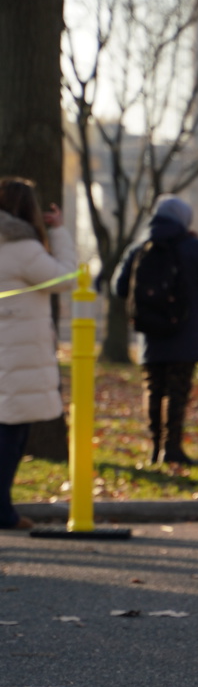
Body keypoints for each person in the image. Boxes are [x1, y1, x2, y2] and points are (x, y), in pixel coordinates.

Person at [113, 195, 198, 466]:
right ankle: (172, 448)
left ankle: (155, 449)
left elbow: (118, 287)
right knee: (177, 391)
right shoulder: (191, 246)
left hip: (149, 334)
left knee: (154, 388)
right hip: (184, 333)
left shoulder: (139, 247)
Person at [0, 178, 77, 530]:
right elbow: (65, 278)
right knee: (11, 434)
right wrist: (58, 232)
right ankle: (3, 511)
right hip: (16, 352)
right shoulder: (22, 247)